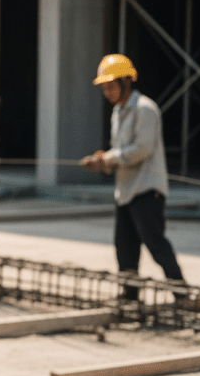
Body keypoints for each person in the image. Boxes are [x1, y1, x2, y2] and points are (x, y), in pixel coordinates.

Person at [80, 53, 186, 301]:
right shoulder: (118, 113)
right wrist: (102, 163)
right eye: (104, 87)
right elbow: (121, 154)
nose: (107, 92)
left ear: (126, 82)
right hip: (126, 190)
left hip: (147, 189)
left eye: (111, 86)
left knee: (155, 243)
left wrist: (108, 158)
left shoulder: (145, 109)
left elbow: (141, 149)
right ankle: (130, 294)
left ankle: (182, 294)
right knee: (125, 246)